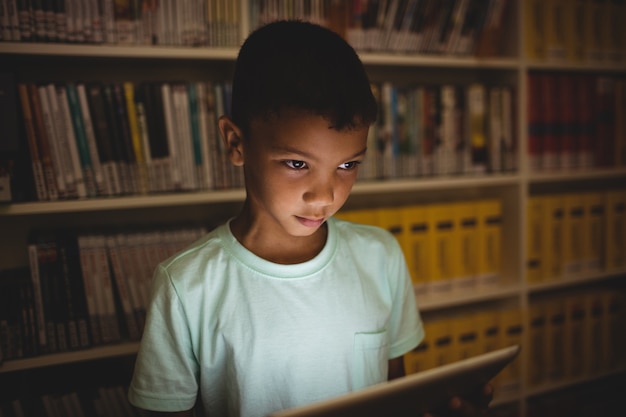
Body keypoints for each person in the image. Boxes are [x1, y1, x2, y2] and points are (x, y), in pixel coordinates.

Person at [128, 19, 492, 417]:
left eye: (348, 164)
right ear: (236, 143)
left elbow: (394, 396)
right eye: (297, 163)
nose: (326, 195)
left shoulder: (380, 256)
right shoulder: (186, 286)